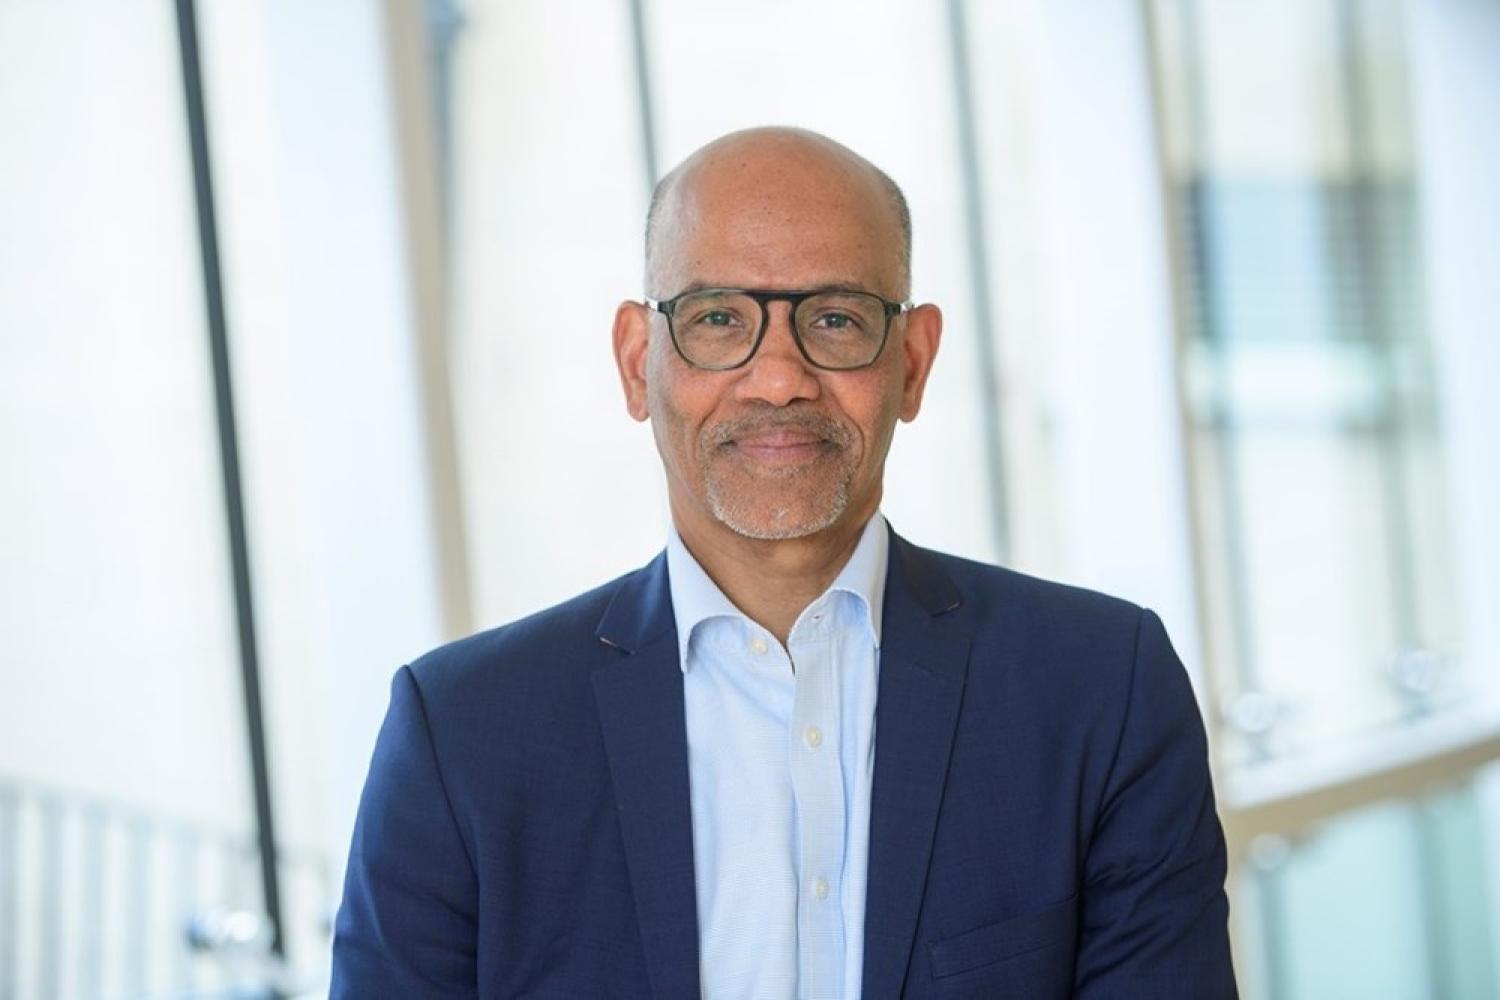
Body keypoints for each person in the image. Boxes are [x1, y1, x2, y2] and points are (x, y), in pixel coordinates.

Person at [331, 127, 1237, 999]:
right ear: (638, 363)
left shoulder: (1102, 690)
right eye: (718, 318)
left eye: (836, 319)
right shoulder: (461, 734)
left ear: (913, 362)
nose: (778, 379)